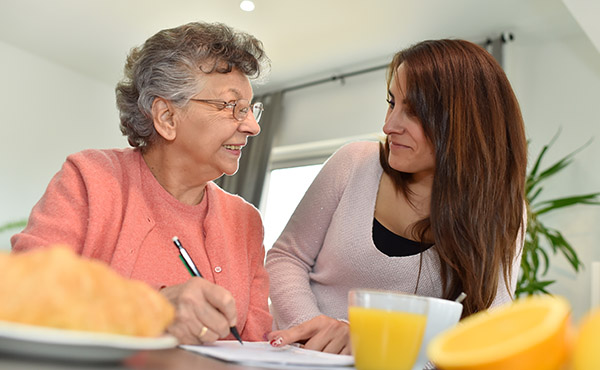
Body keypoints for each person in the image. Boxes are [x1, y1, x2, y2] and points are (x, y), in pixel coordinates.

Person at [11, 22, 272, 344]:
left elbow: (256, 343)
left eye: (250, 110)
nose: (252, 127)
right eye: (233, 107)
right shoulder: (91, 177)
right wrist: (154, 310)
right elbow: (23, 295)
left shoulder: (245, 220)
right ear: (166, 117)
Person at [265, 39, 527, 355]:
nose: (388, 126)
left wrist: (376, 352)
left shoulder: (501, 212)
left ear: (464, 123)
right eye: (392, 103)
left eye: (414, 112)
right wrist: (317, 334)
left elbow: (488, 325)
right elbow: (286, 258)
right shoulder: (354, 163)